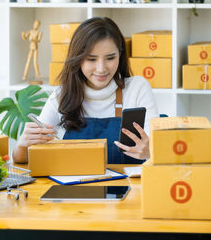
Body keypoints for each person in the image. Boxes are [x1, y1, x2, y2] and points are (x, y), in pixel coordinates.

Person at [13, 17, 158, 164]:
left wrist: (152, 152)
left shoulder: (137, 88)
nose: (101, 69)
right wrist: (23, 144)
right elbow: (21, 159)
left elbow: (159, 151)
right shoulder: (62, 95)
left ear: (120, 56)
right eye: (91, 59)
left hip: (128, 186)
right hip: (75, 186)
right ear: (78, 59)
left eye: (110, 58)